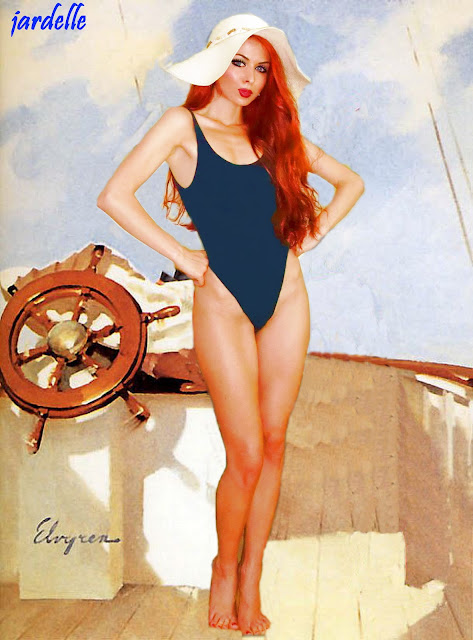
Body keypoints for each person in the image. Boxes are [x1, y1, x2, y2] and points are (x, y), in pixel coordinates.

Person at [97, 13, 364, 636]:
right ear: (216, 62)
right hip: (223, 304)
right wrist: (184, 256)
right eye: (239, 62)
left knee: (274, 444)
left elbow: (350, 182)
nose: (249, 78)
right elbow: (114, 195)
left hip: (287, 299)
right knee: (244, 453)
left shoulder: (275, 134)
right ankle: (224, 565)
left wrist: (312, 236)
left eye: (261, 68)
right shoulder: (181, 125)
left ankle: (252, 576)